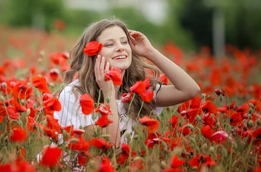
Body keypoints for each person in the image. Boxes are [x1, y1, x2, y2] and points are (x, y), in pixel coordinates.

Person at [54, 19, 201, 146]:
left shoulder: (137, 90)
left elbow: (190, 90)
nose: (120, 47)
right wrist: (109, 94)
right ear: (93, 55)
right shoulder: (74, 95)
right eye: (109, 44)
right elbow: (110, 149)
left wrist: (150, 51)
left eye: (124, 42)